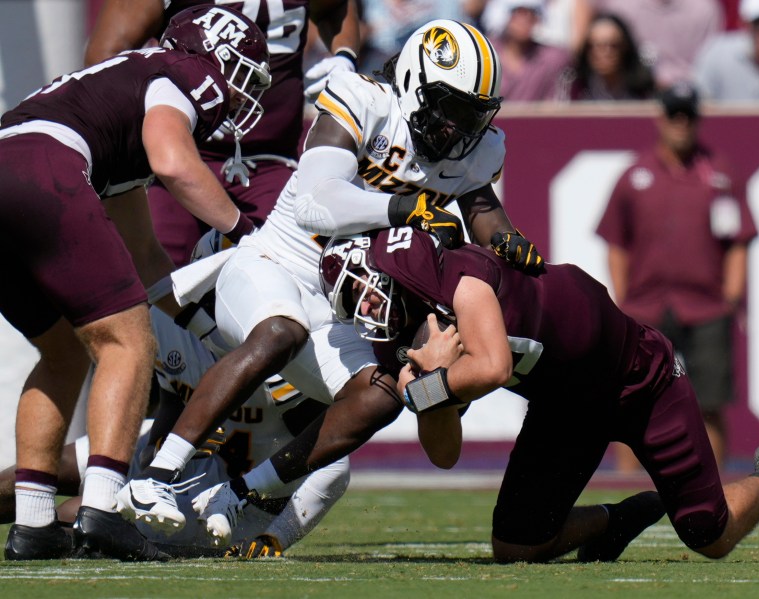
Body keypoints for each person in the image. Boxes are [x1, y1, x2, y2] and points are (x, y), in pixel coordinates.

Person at [113, 18, 545, 544]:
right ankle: (158, 477)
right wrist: (405, 206)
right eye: (447, 109)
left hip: (336, 307)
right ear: (412, 81)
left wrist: (508, 240)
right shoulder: (363, 101)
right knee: (280, 331)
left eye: (469, 116)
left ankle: (244, 493)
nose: (455, 129)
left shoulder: (474, 151)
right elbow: (318, 203)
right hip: (273, 266)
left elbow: (483, 208)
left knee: (386, 393)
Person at [198, 225, 759, 564]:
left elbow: (492, 365)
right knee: (516, 547)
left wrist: (428, 388)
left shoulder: (459, 272)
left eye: (368, 288)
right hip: (566, 404)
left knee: (707, 535)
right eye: (353, 304)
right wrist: (433, 396)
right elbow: (445, 452)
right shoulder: (414, 339)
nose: (369, 308)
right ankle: (616, 522)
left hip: (639, 380)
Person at [0, 4, 272, 561]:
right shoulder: (182, 72)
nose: (243, 93)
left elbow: (147, 262)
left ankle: (32, 524)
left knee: (64, 353)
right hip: (46, 165)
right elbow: (173, 161)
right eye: (243, 73)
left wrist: (206, 334)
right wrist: (246, 232)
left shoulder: (123, 96)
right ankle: (101, 511)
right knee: (127, 343)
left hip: (14, 163)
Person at [0, 293, 350, 558]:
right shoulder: (169, 316)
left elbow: (334, 463)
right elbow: (172, 393)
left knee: (78, 515)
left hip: (222, 495)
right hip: (176, 456)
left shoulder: (282, 342)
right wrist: (157, 452)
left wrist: (275, 537)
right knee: (36, 473)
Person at [85, 0, 362, 268]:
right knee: (157, 272)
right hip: (177, 161)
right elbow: (105, 57)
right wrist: (160, 116)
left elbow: (334, 6)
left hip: (271, 160)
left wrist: (344, 56)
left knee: (293, 267)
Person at [596, 82, 757, 471]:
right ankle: (628, 492)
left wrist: (732, 294)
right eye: (674, 114)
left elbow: (738, 240)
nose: (681, 123)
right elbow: (616, 241)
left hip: (705, 304)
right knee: (632, 402)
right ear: (661, 118)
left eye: (688, 115)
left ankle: (715, 495)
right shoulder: (634, 175)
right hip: (646, 304)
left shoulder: (720, 174)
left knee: (709, 403)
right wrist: (624, 300)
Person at [598, 0, 724, 90]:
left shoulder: (704, 7)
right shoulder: (620, 6)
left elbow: (710, 64)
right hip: (634, 94)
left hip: (689, 96)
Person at [487, 0, 572, 102]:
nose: (526, 18)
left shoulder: (554, 59)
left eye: (532, 12)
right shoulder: (486, 54)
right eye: (518, 11)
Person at [564, 12, 655, 101]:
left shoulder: (641, 90)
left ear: (625, 48)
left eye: (613, 45)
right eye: (596, 46)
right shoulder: (575, 88)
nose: (605, 52)